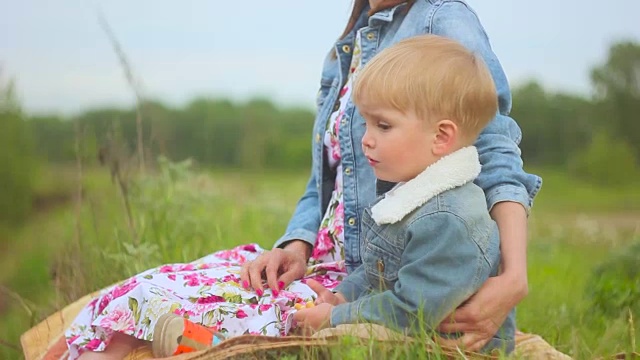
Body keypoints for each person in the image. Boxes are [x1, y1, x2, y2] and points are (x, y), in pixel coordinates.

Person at [65, 1, 543, 359]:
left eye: (383, 126)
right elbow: (327, 182)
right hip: (332, 267)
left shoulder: (442, 19)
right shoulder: (348, 44)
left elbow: (493, 149)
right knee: (140, 295)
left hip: (362, 276)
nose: (370, 138)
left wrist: (513, 275)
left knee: (155, 318)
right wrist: (296, 243)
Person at [289, 33, 515, 353]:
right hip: (408, 329)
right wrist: (343, 296)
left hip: (448, 348)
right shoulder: (410, 193)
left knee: (322, 342)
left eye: (383, 126)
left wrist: (336, 317)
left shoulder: (446, 219)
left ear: (441, 137)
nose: (366, 139)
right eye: (366, 124)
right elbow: (379, 269)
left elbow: (411, 311)